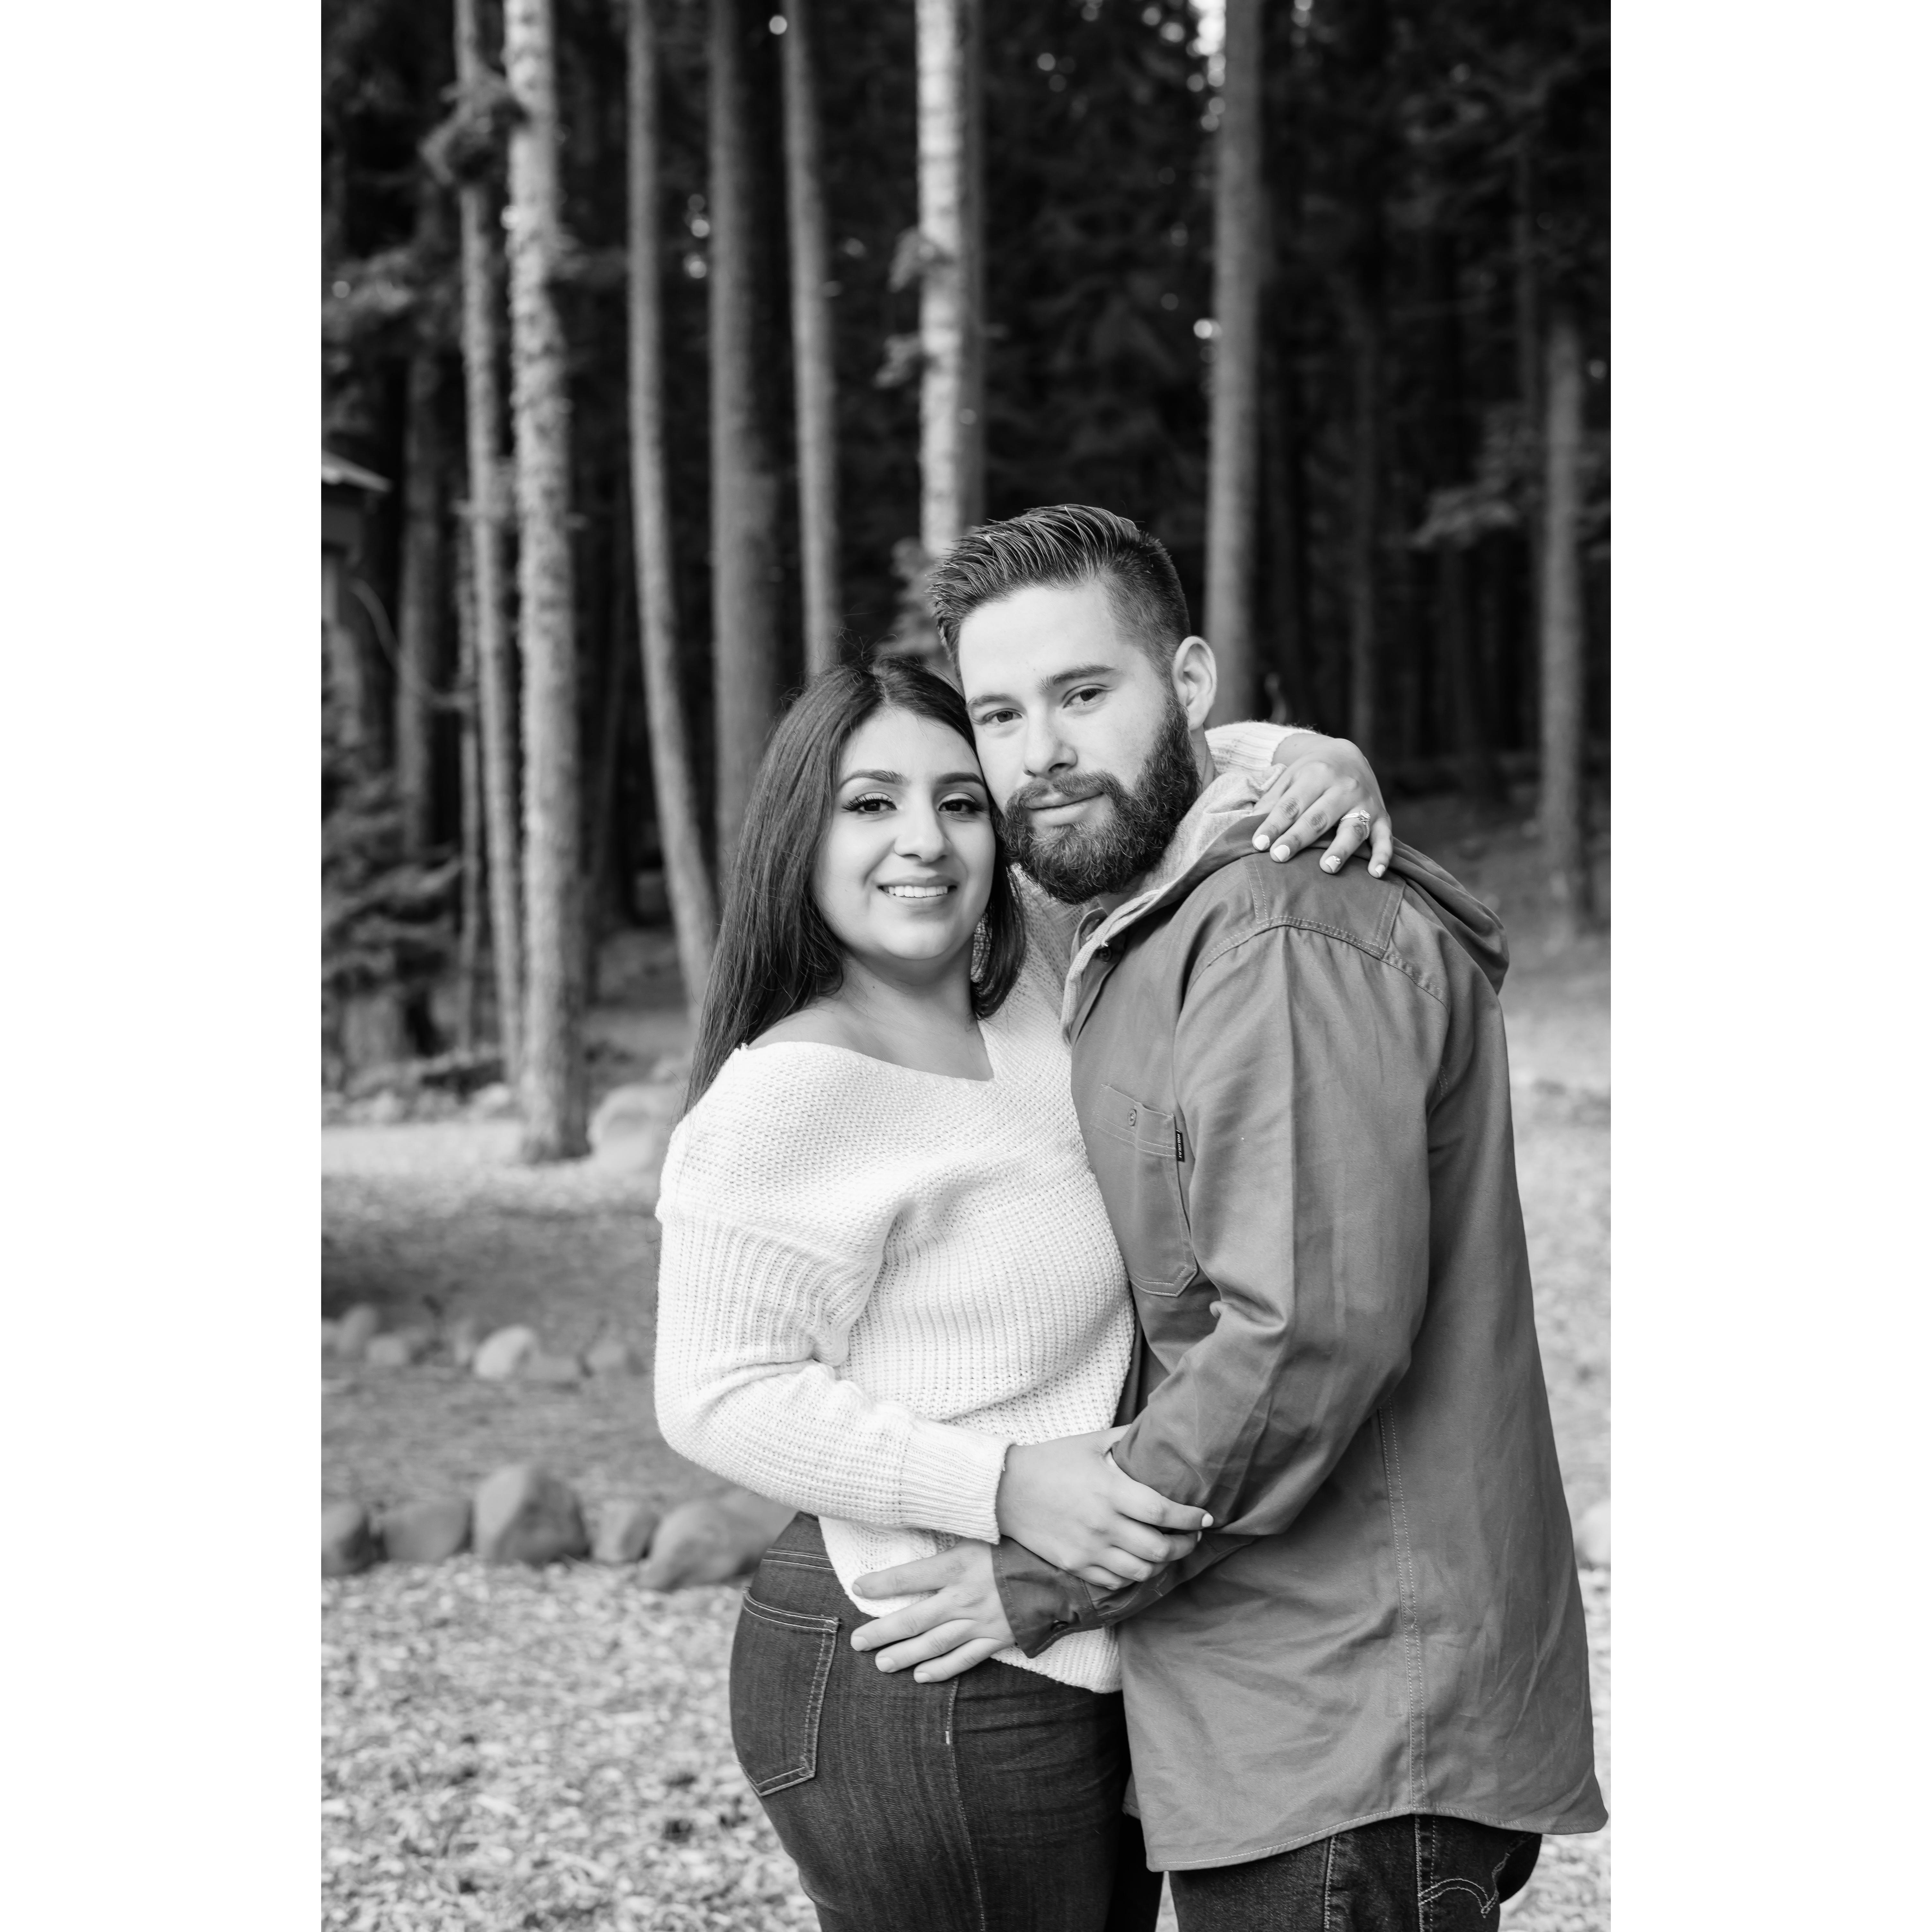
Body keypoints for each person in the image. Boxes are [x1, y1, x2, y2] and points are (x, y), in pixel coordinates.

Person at [849, 505, 1605, 1930]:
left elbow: (1304, 1335)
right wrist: (1290, 752)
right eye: (1000, 715)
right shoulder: (1150, 912)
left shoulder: (1275, 934)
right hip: (1279, 1708)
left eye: (1085, 692)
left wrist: (1044, 1572)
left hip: (1355, 1718)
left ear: (1188, 682)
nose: (1041, 751)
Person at [652, 655, 1393, 1931]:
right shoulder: (790, 1089)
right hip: (920, 1655)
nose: (923, 843)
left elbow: (1152, 770)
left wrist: (1316, 761)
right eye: (870, 804)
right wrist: (1000, 1484)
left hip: (1074, 1635)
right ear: (798, 836)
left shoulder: (1044, 981)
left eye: (960, 801)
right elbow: (715, 1393)